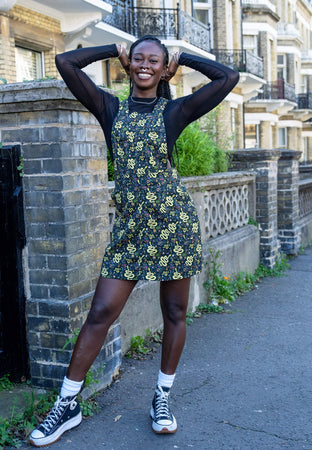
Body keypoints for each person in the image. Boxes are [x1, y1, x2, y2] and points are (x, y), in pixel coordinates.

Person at [29, 35, 239, 447]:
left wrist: (184, 57)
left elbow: (228, 77)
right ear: (129, 66)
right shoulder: (110, 108)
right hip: (129, 230)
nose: (145, 65)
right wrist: (112, 49)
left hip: (173, 226)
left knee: (175, 312)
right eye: (138, 58)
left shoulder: (176, 110)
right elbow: (65, 62)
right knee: (100, 313)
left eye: (154, 61)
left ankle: (162, 397)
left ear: (164, 70)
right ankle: (67, 404)